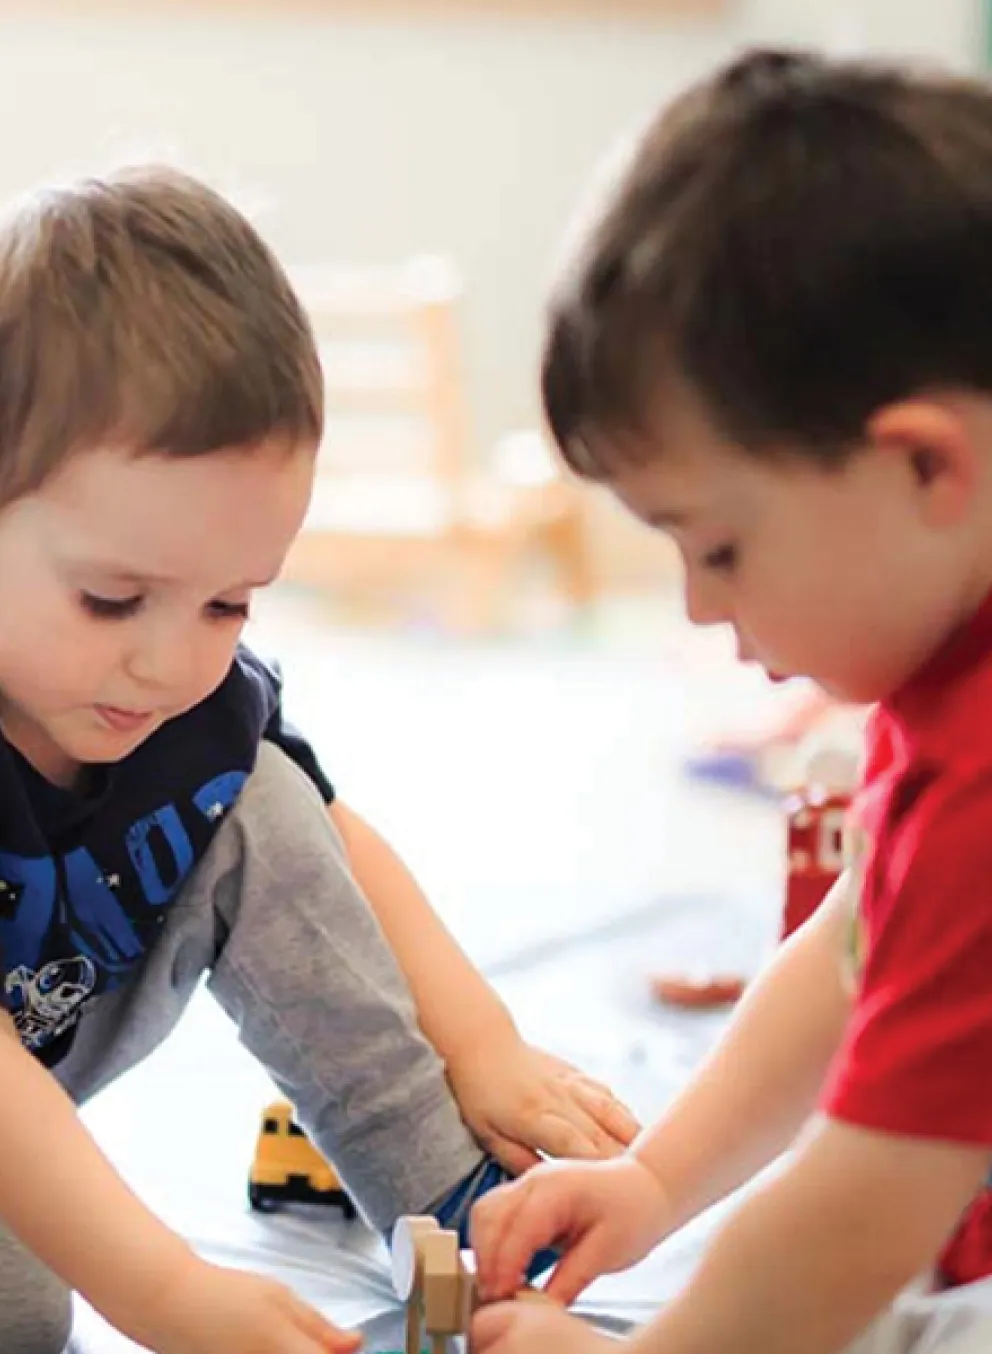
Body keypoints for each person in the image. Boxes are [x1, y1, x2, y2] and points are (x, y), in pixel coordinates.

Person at [0, 165, 639, 1354]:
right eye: (111, 598)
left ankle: (448, 1206)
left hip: (46, 1057)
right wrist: (168, 1293)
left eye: (229, 603)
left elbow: (328, 848)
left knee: (260, 796)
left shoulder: (181, 704)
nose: (166, 663)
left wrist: (481, 1041)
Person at [469, 46, 992, 1354]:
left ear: (925, 467)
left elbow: (858, 1210)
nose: (701, 609)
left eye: (720, 546)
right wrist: (656, 1182)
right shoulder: (942, 665)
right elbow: (846, 953)